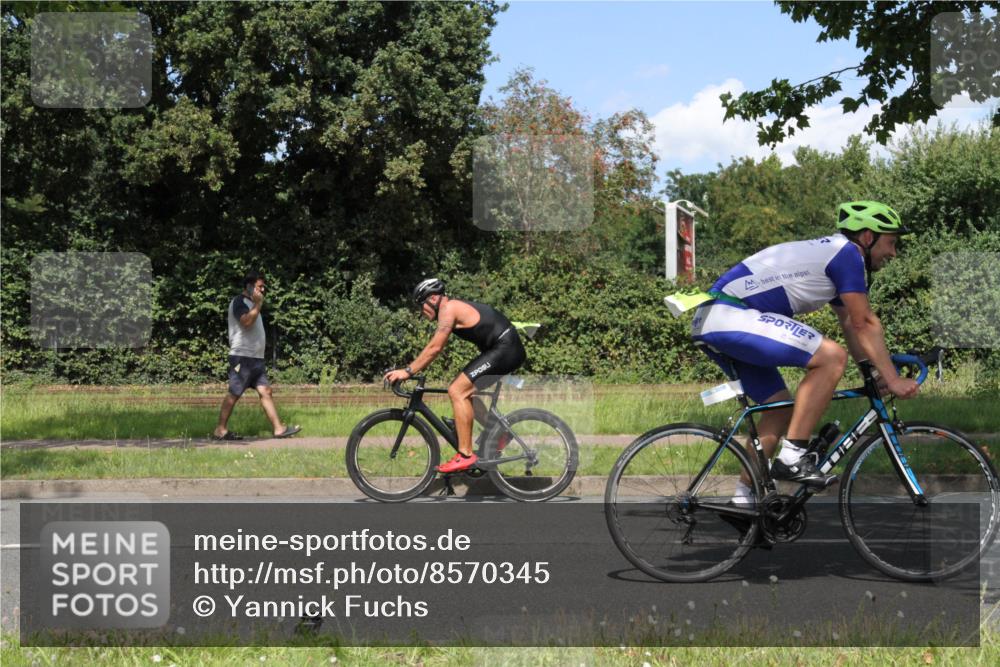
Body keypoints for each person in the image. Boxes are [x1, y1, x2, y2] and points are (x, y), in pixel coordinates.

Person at [691, 201, 918, 494]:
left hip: (715, 319)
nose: (893, 252)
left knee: (780, 409)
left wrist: (872, 372)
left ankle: (744, 501)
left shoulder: (834, 257)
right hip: (731, 315)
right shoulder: (847, 254)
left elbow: (849, 322)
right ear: (867, 236)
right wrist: (893, 379)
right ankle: (793, 456)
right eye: (891, 242)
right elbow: (865, 323)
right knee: (832, 357)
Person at [383, 279, 526, 473]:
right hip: (501, 348)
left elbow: (435, 348)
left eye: (421, 305)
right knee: (465, 393)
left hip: (505, 349)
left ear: (433, 298)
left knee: (457, 391)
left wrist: (407, 371)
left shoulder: (449, 309)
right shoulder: (450, 308)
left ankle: (465, 454)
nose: (421, 311)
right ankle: (499, 435)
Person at [213, 269, 301, 441]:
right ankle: (220, 429)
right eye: (260, 287)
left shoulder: (252, 304)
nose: (263, 290)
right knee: (234, 393)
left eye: (263, 287)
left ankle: (278, 429)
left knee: (266, 391)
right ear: (250, 286)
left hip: (255, 359)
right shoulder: (240, 302)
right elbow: (246, 322)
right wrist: (258, 305)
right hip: (242, 357)